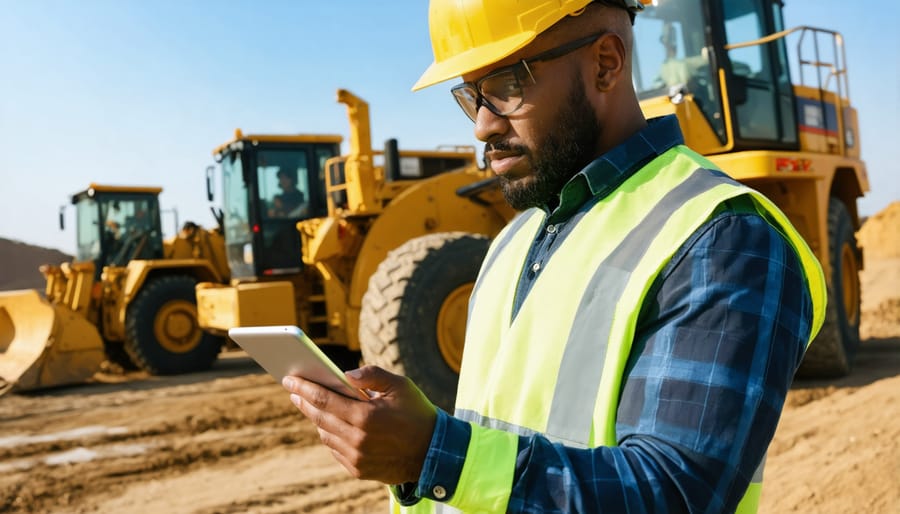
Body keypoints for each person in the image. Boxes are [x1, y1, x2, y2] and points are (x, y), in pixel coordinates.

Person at [281, 1, 826, 512]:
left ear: (606, 64)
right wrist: (413, 459)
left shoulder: (722, 237)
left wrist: (434, 453)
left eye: (507, 84)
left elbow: (680, 492)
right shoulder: (511, 244)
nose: (482, 125)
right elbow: (497, 445)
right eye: (472, 93)